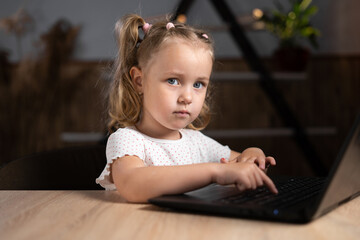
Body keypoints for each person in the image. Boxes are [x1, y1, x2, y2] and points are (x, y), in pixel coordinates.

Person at [96, 14, 278, 203]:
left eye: (198, 84)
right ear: (140, 81)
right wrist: (214, 172)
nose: (187, 97)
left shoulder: (197, 142)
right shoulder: (128, 140)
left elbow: (238, 165)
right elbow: (132, 185)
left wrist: (252, 156)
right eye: (173, 81)